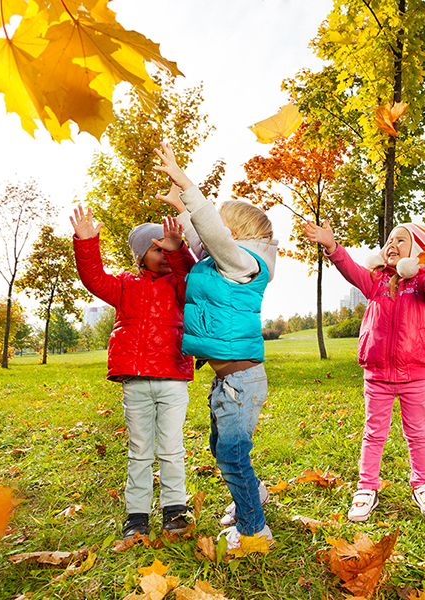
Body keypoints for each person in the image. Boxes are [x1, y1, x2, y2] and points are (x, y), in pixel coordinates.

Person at [153, 141, 278, 550]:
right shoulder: (220, 262)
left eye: (219, 229)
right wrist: (183, 211)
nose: (208, 238)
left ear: (235, 234)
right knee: (222, 448)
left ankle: (253, 530)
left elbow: (211, 233)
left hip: (241, 381)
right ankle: (252, 494)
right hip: (227, 382)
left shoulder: (244, 262)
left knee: (231, 454)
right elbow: (201, 234)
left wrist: (186, 184)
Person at [303, 219, 425, 522]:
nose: (392, 245)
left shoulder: (421, 282)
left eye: (401, 241)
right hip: (378, 374)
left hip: (415, 372)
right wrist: (331, 245)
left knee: (418, 434)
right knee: (373, 433)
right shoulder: (376, 281)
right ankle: (367, 487)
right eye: (390, 240)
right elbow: (351, 270)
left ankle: (422, 484)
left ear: (416, 252)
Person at [70, 206, 197, 540]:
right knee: (139, 450)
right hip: (136, 381)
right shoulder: (125, 285)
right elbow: (94, 279)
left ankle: (174, 508)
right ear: (141, 256)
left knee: (171, 448)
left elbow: (190, 277)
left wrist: (179, 248)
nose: (164, 254)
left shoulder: (181, 285)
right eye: (157, 248)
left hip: (172, 378)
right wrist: (87, 244)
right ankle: (137, 515)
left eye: (167, 247)